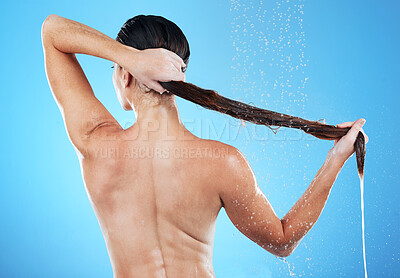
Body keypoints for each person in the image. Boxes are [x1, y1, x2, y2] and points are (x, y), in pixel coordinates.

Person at [41, 14, 368, 278]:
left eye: (115, 68)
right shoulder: (222, 162)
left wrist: (127, 57)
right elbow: (282, 242)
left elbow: (53, 32)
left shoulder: (97, 146)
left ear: (125, 75)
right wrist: (335, 159)